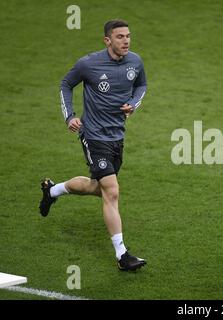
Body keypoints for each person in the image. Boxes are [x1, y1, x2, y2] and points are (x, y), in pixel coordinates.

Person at [40, 19, 147, 271]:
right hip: (94, 134)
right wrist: (70, 116)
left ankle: (53, 191)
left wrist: (133, 103)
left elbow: (142, 85)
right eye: (120, 37)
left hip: (117, 137)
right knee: (112, 191)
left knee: (97, 188)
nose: (126, 41)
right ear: (107, 40)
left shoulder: (135, 62)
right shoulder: (88, 63)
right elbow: (66, 84)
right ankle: (122, 256)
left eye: (128, 36)